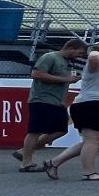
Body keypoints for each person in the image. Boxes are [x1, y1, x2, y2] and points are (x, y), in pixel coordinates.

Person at [44, 42, 99, 182]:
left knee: (89, 141)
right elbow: (93, 57)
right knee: (93, 140)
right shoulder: (95, 66)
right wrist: (96, 53)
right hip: (92, 107)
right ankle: (89, 172)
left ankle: (53, 162)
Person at [18, 37, 86, 171]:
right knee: (35, 130)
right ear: (71, 48)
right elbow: (36, 74)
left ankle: (25, 151)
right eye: (79, 53)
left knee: (61, 129)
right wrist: (64, 79)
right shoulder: (50, 57)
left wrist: (73, 79)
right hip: (41, 99)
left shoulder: (67, 62)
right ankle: (26, 162)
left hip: (57, 101)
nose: (80, 56)